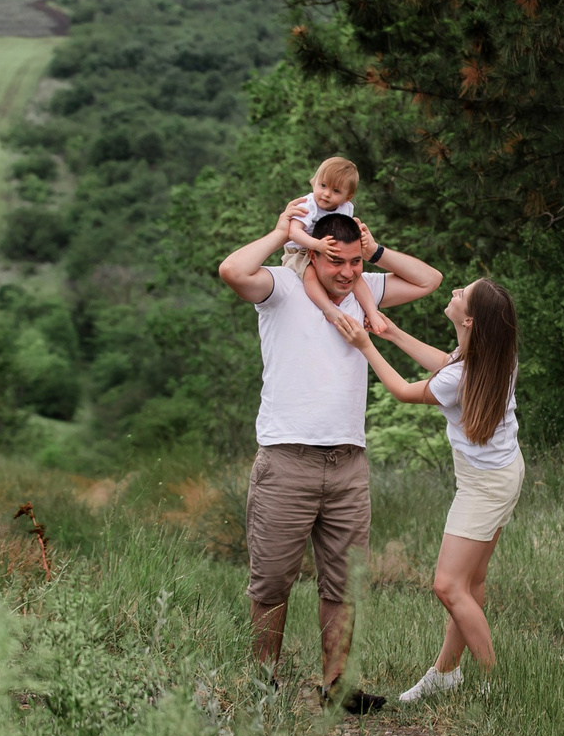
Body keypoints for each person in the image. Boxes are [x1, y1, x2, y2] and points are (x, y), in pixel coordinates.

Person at [216, 197, 443, 705]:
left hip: (348, 463)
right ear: (314, 254)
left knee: (343, 582)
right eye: (335, 260)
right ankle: (263, 683)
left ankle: (336, 686)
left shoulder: (365, 291)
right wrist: (284, 233)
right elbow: (232, 270)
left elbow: (430, 280)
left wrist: (376, 251)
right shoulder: (281, 285)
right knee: (272, 580)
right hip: (286, 459)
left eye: (354, 262)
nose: (347, 272)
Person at [355, 279, 521, 704]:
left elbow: (404, 391)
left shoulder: (462, 374)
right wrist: (391, 332)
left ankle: (496, 685)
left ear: (470, 321)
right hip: (501, 475)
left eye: (461, 294)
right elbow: (446, 364)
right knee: (471, 581)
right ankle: (446, 672)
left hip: (484, 486)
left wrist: (365, 345)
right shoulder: (494, 354)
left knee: (448, 586)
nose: (453, 292)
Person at [280, 155, 389, 342]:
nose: (326, 194)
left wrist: (359, 234)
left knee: (355, 277)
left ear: (348, 196)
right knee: (309, 273)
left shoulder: (346, 208)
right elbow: (293, 233)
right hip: (300, 251)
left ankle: (372, 312)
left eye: (335, 190)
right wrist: (317, 245)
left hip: (328, 249)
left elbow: (346, 229)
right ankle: (329, 310)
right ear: (314, 181)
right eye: (322, 185)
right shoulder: (308, 205)